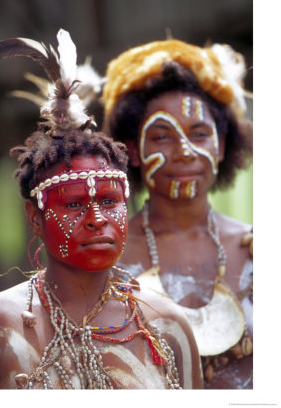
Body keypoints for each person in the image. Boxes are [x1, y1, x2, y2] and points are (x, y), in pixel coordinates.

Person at [0, 30, 203, 390]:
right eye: (74, 204)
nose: (97, 219)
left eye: (110, 202)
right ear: (35, 217)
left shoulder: (167, 324)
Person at [102, 38, 253, 389]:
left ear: (221, 147)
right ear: (132, 153)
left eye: (199, 134)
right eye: (161, 137)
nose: (185, 152)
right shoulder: (106, 256)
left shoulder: (257, 248)